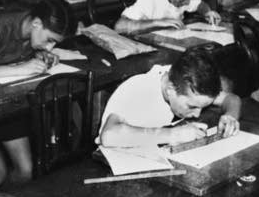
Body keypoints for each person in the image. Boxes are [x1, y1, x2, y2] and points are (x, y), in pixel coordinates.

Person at [0, 0, 76, 190]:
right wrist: (21, 69)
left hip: (6, 105)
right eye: (50, 40)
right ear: (36, 23)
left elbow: (18, 54)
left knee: (25, 172)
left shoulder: (33, 32)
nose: (50, 47)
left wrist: (40, 55)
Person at [98, 48, 241, 147]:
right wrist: (173, 135)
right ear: (170, 90)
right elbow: (108, 136)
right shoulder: (137, 90)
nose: (197, 114)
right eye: (192, 107)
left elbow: (231, 99)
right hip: (115, 159)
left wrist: (230, 116)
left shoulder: (182, 82)